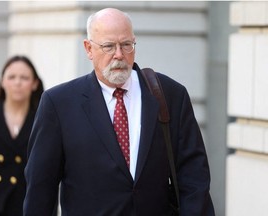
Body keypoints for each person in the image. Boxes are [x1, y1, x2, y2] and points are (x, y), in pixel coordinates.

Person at [24, 8, 215, 216]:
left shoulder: (170, 95)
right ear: (89, 49)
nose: (119, 55)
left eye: (126, 45)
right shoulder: (59, 104)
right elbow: (40, 189)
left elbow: (194, 177)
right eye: (108, 46)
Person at [0, 55, 44, 216]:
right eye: (12, 77)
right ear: (2, 81)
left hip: (24, 205)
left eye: (24, 77)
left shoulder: (43, 121)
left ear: (34, 83)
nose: (17, 83)